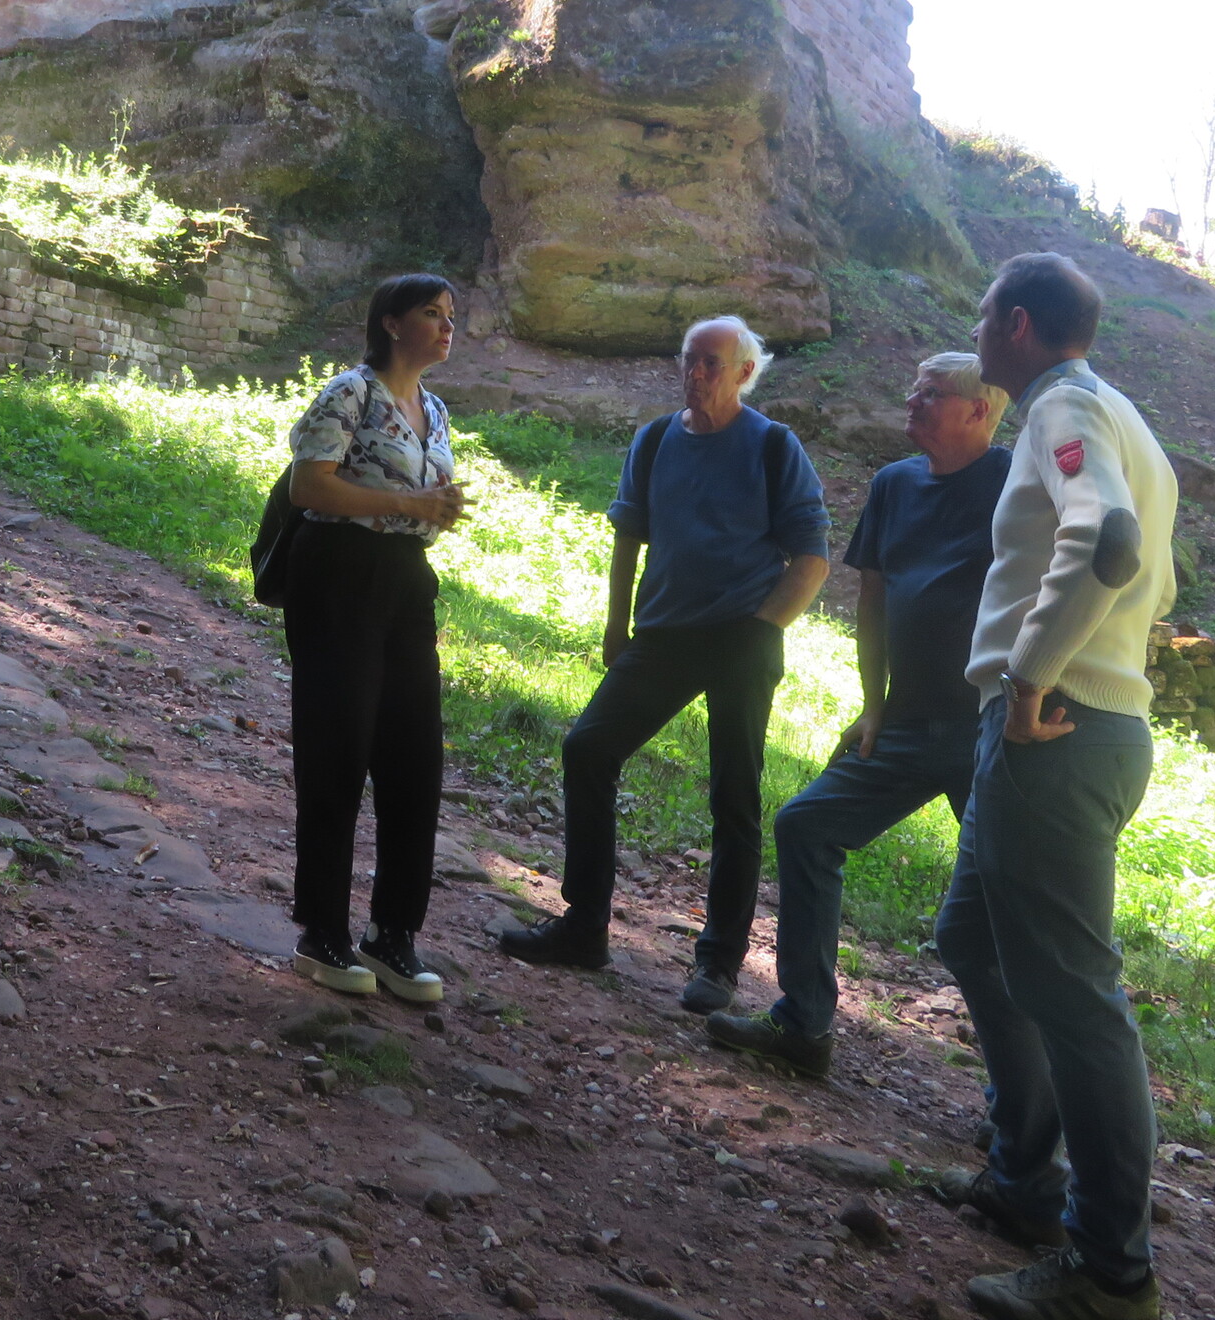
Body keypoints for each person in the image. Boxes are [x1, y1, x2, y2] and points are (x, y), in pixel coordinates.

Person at [936, 254, 1177, 1320]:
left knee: (1077, 999)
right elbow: (1152, 568)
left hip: (1054, 726)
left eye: (984, 316)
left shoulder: (1060, 409)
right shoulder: (1124, 417)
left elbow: (1107, 539)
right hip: (1092, 726)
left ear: (1020, 324)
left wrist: (1031, 675)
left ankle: (1111, 1269)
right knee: (972, 937)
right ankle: (1024, 1178)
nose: (976, 331)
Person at [498, 315, 830, 1014]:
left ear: (744, 373)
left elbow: (811, 557)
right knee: (589, 749)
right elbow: (628, 535)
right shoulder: (654, 440)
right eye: (689, 360)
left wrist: (761, 631)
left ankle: (719, 964)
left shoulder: (774, 446)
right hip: (664, 635)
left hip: (742, 637)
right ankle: (584, 927)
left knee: (734, 796)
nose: (696, 373)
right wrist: (616, 625)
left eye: (712, 363)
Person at [707, 351, 1012, 1079]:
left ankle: (1026, 1107)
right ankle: (804, 1024)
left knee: (1002, 908)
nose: (911, 400)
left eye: (930, 393)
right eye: (914, 388)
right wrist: (874, 706)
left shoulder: (1014, 484)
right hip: (905, 723)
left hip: (990, 729)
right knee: (806, 825)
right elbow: (873, 603)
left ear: (978, 411)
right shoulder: (893, 485)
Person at [281, 273, 467, 1003]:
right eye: (432, 313)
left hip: (406, 581)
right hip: (338, 573)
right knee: (337, 749)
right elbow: (307, 486)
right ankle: (322, 931)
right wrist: (411, 502)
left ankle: (393, 934)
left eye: (451, 316)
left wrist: (435, 509)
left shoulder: (436, 408)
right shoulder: (350, 392)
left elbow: (417, 500)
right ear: (391, 322)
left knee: (414, 757)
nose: (447, 327)